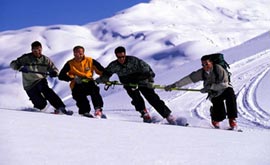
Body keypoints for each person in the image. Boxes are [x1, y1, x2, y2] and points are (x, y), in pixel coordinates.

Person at [96, 46, 177, 124]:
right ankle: (144, 114)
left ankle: (168, 116)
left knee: (152, 98)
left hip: (142, 81)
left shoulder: (134, 61)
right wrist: (101, 80)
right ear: (116, 56)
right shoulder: (114, 65)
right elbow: (106, 74)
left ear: (125, 54)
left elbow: (148, 70)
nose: (121, 59)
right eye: (119, 57)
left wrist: (150, 80)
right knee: (136, 98)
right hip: (128, 84)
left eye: (123, 56)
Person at [165, 55, 238, 129]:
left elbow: (224, 84)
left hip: (224, 89)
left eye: (206, 64)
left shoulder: (219, 69)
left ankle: (232, 120)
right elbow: (188, 79)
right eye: (203, 64)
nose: (204, 66)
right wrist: (174, 85)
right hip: (214, 94)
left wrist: (209, 87)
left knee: (230, 95)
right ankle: (215, 118)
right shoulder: (202, 72)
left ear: (211, 63)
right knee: (220, 116)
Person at [10, 41, 73, 115]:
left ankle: (61, 108)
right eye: (35, 50)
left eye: (39, 50)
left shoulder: (45, 59)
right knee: (41, 105)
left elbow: (53, 68)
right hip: (29, 85)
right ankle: (37, 109)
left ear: (41, 49)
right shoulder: (26, 58)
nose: (37, 52)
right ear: (32, 50)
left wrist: (54, 72)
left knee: (46, 90)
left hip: (40, 80)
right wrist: (20, 67)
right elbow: (13, 64)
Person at [58, 46, 105, 118]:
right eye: (76, 53)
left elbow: (101, 70)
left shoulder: (90, 61)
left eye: (80, 53)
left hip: (88, 81)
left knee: (94, 90)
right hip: (76, 83)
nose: (78, 55)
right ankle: (84, 112)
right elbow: (61, 76)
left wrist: (104, 77)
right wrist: (72, 78)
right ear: (74, 54)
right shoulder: (70, 63)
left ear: (83, 53)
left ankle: (98, 109)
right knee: (79, 95)